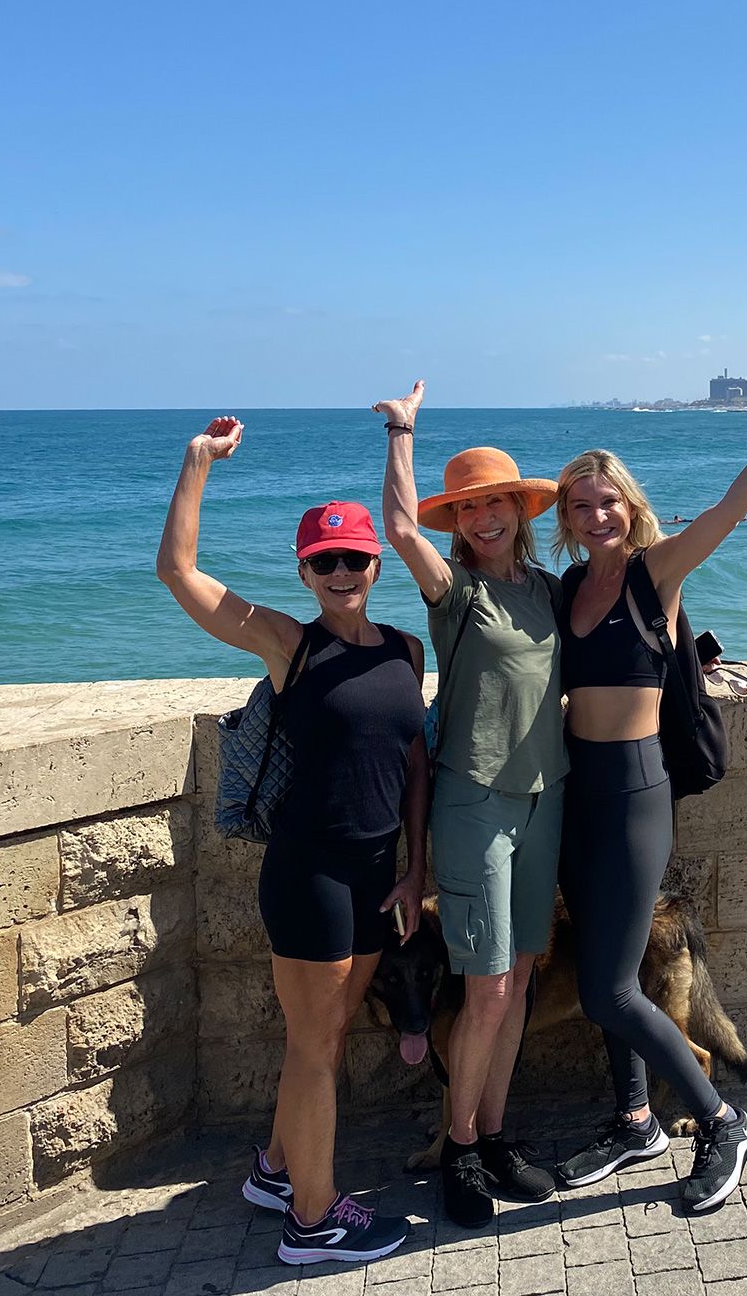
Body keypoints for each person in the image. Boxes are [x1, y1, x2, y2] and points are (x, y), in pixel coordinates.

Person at [549, 368, 747, 1213]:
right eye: (579, 505)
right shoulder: (568, 589)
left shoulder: (654, 574)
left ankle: (722, 1120)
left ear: (629, 506)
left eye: (606, 501)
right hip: (579, 789)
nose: (595, 514)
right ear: (565, 519)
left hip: (639, 790)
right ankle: (634, 1117)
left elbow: (728, 512)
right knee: (611, 963)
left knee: (608, 985)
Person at [156, 417, 420, 1265]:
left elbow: (413, 760)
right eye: (324, 560)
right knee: (314, 1042)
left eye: (356, 558)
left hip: (380, 870)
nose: (342, 572)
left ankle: (276, 1167)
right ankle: (312, 1219)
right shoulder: (288, 644)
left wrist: (417, 866)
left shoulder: (407, 650)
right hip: (309, 870)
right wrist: (198, 464)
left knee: (331, 1033)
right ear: (304, 571)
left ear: (378, 565)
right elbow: (180, 573)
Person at [374, 381, 565, 1229]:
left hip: (544, 797)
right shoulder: (456, 593)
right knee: (484, 986)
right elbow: (400, 529)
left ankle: (493, 1135)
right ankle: (458, 1147)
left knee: (518, 980)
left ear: (520, 510)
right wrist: (403, 433)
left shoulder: (547, 589)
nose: (486, 517)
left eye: (498, 503)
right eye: (473, 506)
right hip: (471, 802)